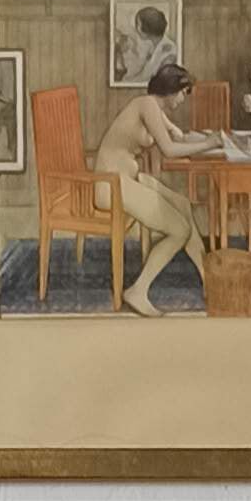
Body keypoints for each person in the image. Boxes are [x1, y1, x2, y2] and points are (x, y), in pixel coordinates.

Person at [92, 58, 217, 314]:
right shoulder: (147, 106)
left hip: (127, 179)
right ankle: (138, 290)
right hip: (111, 185)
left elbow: (179, 136)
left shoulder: (153, 108)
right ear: (171, 90)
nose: (184, 100)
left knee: (182, 204)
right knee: (179, 230)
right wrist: (208, 145)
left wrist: (209, 138)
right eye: (183, 93)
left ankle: (208, 278)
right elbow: (170, 150)